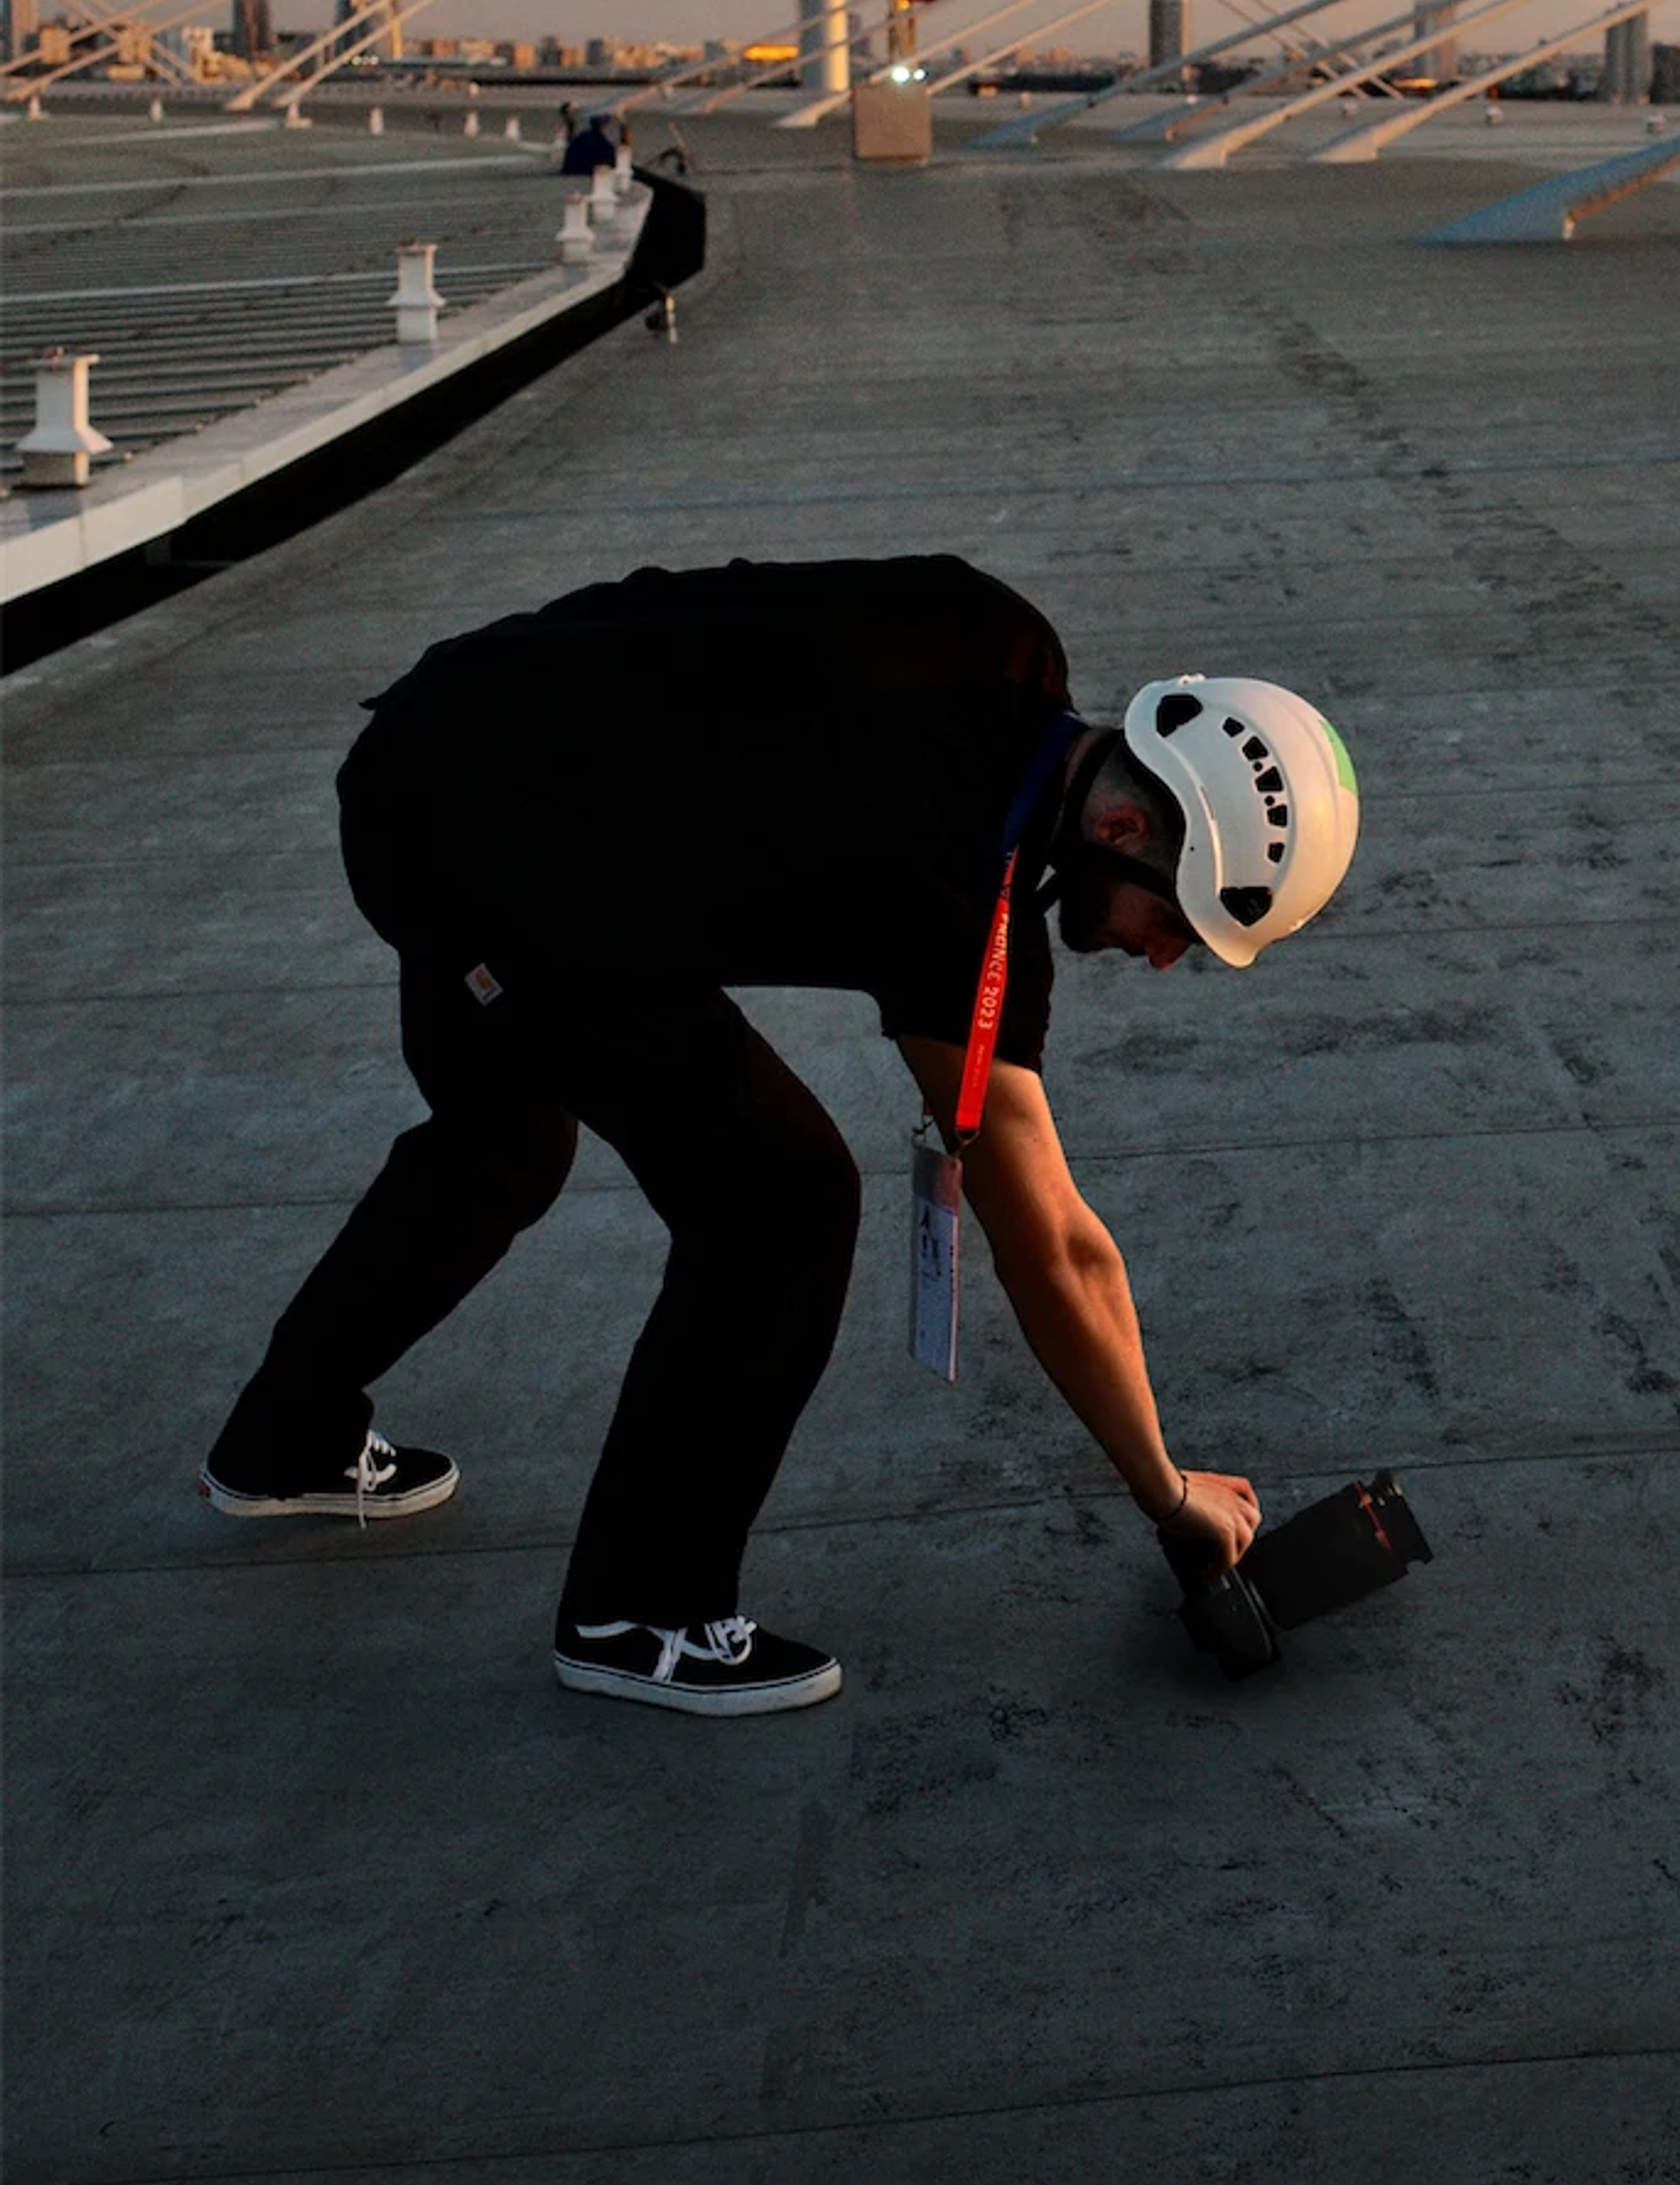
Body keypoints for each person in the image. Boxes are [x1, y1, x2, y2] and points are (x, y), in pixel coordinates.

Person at [199, 557, 1358, 1714]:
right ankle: (641, 1610)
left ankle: (285, 1439)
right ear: (1120, 823)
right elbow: (1052, 1247)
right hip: (478, 850)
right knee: (780, 1202)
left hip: (449, 734)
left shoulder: (995, 635)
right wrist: (1166, 1490)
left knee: (504, 1135)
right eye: (1180, 922)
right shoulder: (948, 888)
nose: (1166, 958)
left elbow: (707, 605)